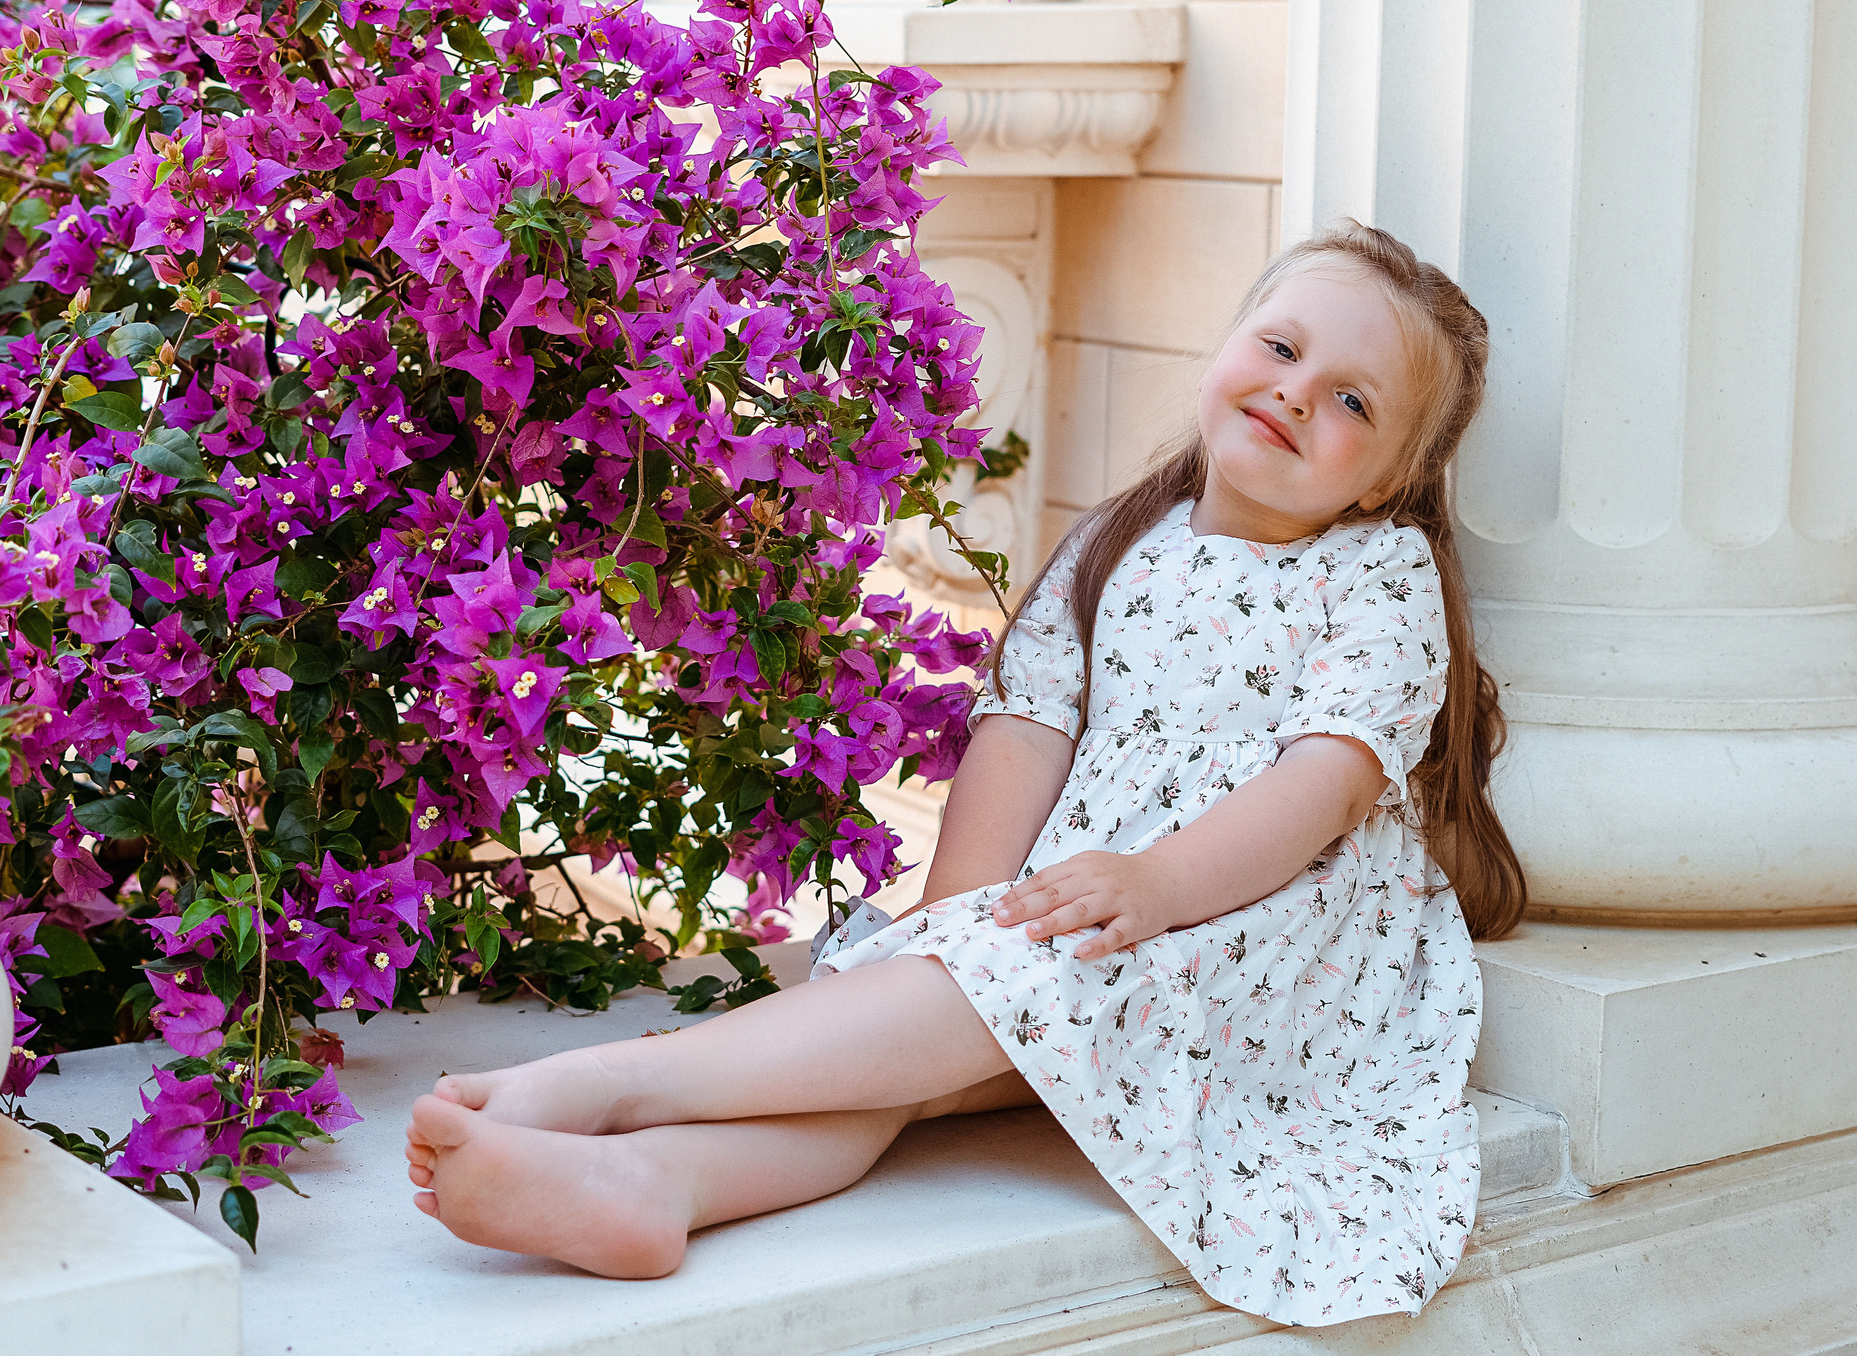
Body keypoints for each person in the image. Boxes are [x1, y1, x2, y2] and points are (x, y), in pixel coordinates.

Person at [404, 224, 1527, 1326]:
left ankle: (617, 1086)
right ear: (1228, 346)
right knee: (907, 1047)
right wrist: (955, 932)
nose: (1296, 393)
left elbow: (1323, 784)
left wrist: (1157, 889)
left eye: (1352, 402)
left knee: (964, 1013)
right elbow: (1024, 732)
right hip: (1096, 912)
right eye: (1282, 351)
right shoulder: (1115, 544)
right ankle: (658, 1188)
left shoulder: (1374, 572)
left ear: (1389, 480)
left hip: (1259, 936)